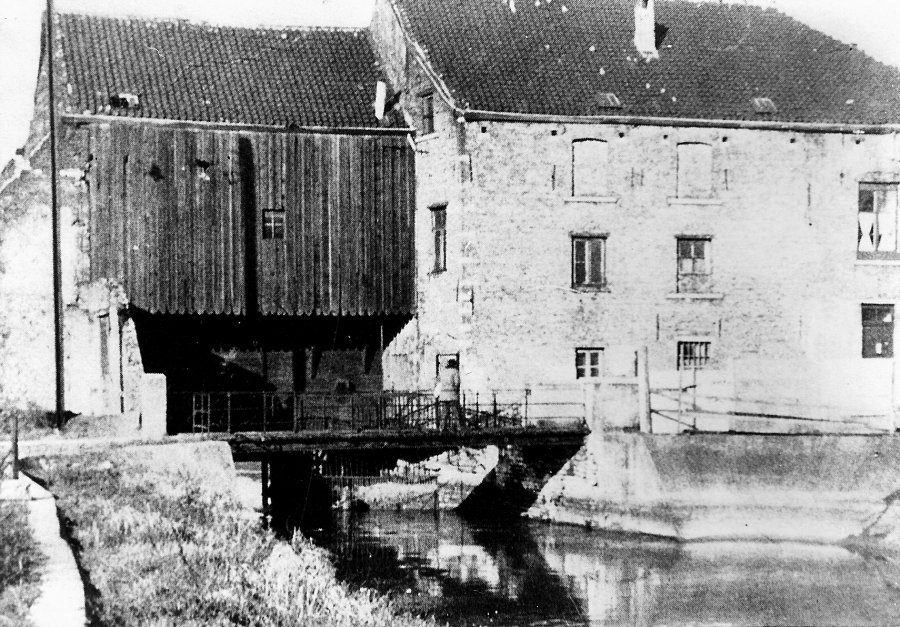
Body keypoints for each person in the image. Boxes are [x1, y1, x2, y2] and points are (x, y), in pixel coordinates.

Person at [434, 358, 461, 430]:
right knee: (454, 412)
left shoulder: (442, 372)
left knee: (444, 413)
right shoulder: (455, 371)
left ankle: (441, 427)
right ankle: (458, 427)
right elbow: (457, 383)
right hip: (451, 394)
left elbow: (438, 381)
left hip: (443, 394)